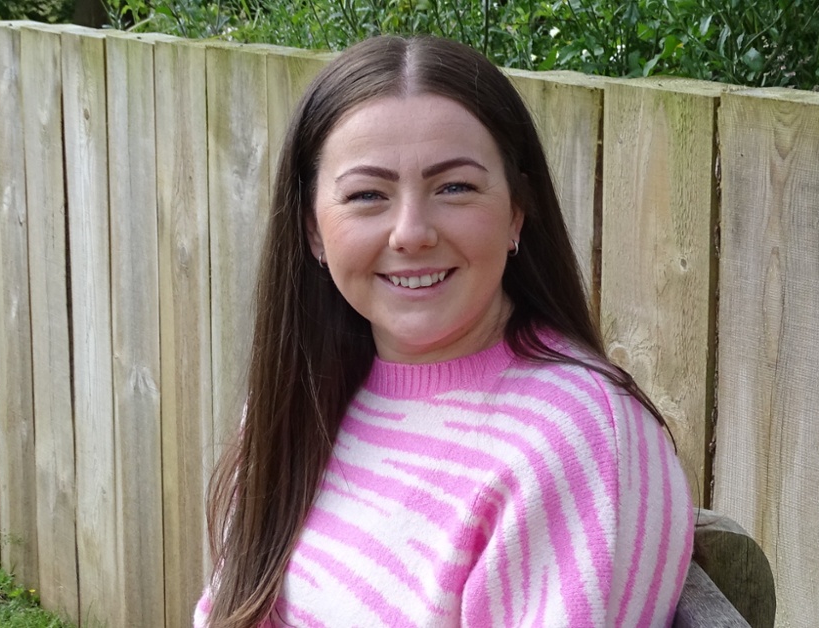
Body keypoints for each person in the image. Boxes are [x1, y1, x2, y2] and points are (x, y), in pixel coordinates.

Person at [196, 34, 693, 627]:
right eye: (367, 195)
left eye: (454, 187)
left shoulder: (573, 438)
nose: (411, 232)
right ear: (312, 231)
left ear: (516, 212)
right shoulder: (300, 397)